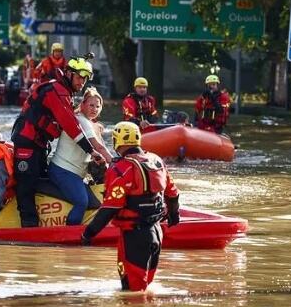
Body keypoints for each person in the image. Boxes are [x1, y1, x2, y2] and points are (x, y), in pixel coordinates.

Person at [81, 122, 180, 292]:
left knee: (132, 292)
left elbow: (110, 208)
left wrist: (88, 234)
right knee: (146, 288)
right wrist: (173, 215)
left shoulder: (122, 168)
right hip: (156, 232)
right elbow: (172, 194)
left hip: (134, 236)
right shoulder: (156, 161)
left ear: (117, 141)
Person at [11, 56, 105, 227]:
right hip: (27, 143)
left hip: (38, 145)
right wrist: (91, 151)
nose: (81, 82)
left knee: (40, 181)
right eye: (78, 77)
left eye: (84, 79)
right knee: (26, 185)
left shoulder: (64, 93)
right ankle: (29, 228)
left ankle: (46, 220)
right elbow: (70, 125)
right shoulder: (57, 90)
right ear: (68, 74)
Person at [48, 87, 113, 225]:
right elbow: (99, 147)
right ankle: (71, 233)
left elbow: (101, 149)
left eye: (98, 106)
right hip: (63, 171)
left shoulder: (89, 123)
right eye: (91, 105)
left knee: (93, 201)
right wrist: (117, 164)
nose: (94, 109)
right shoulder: (81, 120)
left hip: (74, 174)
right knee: (81, 202)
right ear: (82, 104)